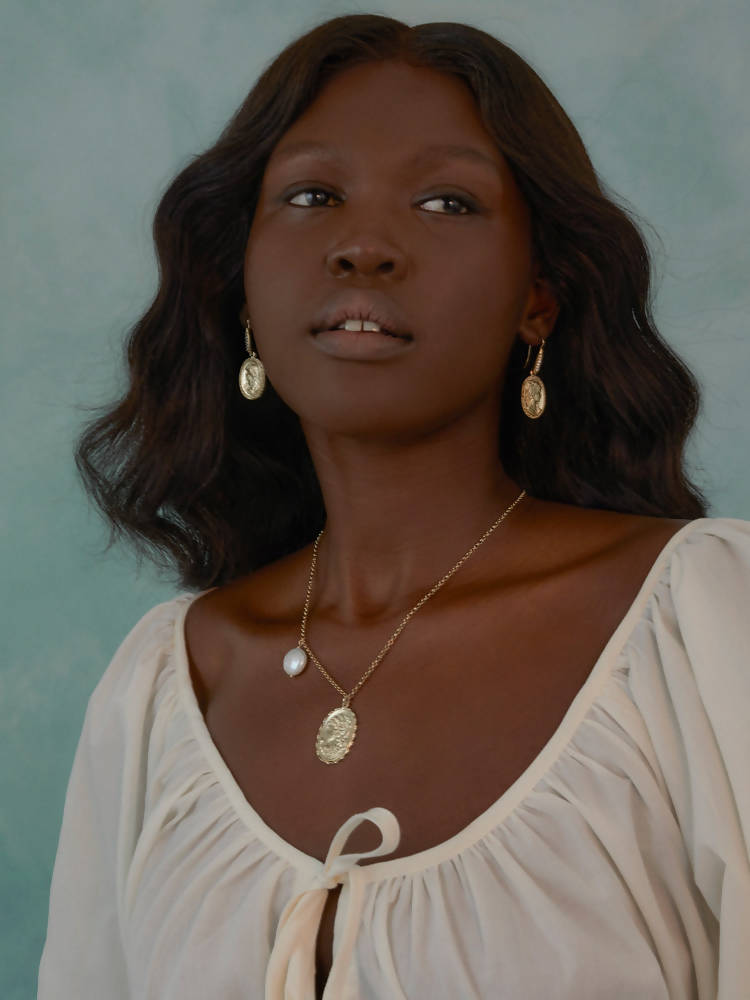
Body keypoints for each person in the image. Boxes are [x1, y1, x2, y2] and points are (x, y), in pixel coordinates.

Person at [39, 13, 749, 1000]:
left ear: (538, 297)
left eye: (447, 202)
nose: (363, 246)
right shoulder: (167, 684)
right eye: (313, 196)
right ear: (242, 289)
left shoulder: (698, 622)